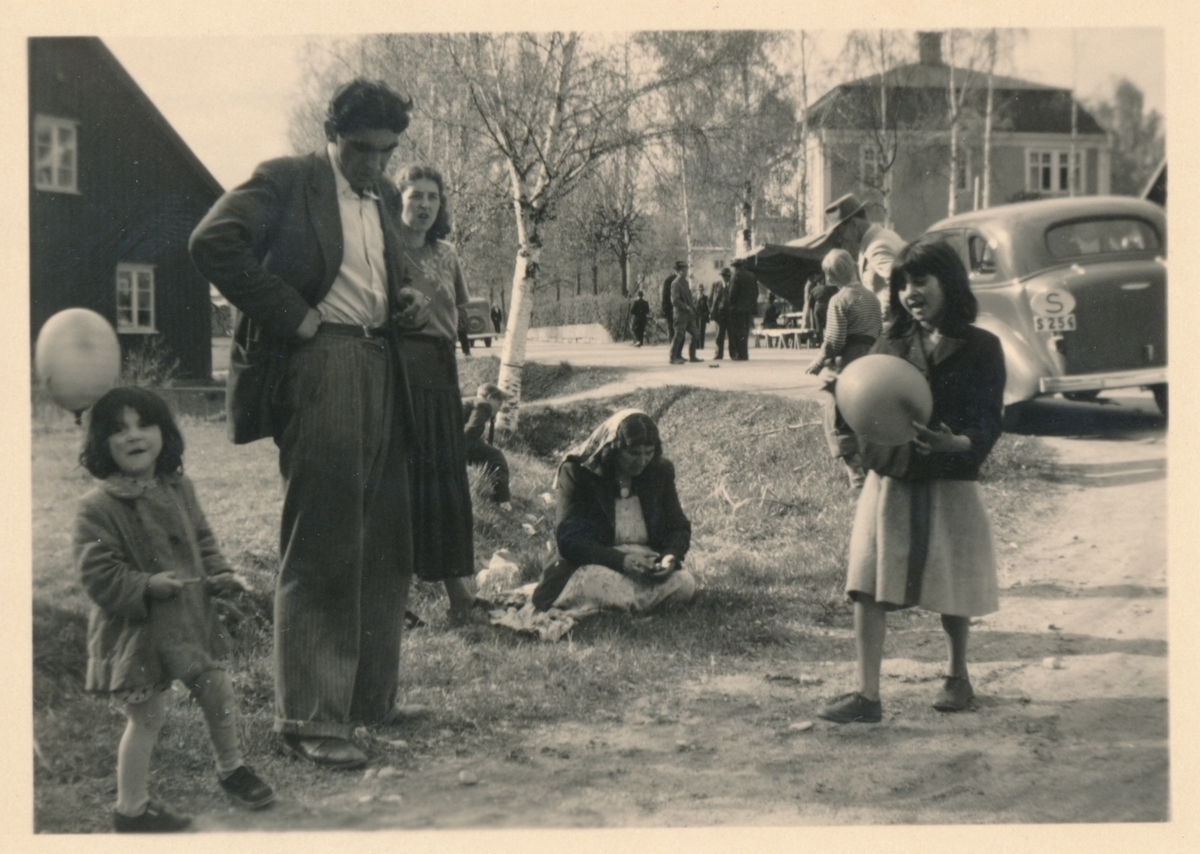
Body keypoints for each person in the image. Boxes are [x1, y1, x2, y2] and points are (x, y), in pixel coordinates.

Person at [189, 78, 419, 769]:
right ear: (331, 134)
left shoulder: (379, 195)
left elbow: (383, 269)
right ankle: (310, 718)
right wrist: (293, 315)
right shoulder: (289, 179)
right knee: (322, 535)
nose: (372, 164)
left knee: (383, 532)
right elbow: (212, 242)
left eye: (385, 151)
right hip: (320, 365)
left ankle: (366, 702)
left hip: (384, 363)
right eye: (359, 148)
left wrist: (402, 295)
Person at [817, 237, 1005, 725]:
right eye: (902, 284)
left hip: (949, 479)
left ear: (949, 282)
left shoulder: (983, 347)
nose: (909, 293)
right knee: (867, 579)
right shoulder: (891, 343)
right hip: (893, 478)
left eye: (920, 281)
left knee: (951, 579)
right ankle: (867, 695)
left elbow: (988, 420)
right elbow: (866, 403)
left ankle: (957, 675)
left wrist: (958, 445)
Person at [74, 387, 275, 832]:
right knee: (147, 719)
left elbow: (202, 540)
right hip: (137, 633)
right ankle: (131, 810)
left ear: (165, 434)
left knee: (217, 692)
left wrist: (221, 574)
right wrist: (145, 585)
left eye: (144, 425)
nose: (133, 436)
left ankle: (233, 769)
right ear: (101, 444)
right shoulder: (98, 506)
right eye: (118, 430)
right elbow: (97, 574)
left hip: (189, 620)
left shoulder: (179, 488)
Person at [391, 164, 483, 625]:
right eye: (415, 196)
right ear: (399, 199)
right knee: (404, 483)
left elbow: (464, 311)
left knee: (445, 479)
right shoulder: (384, 251)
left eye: (432, 196)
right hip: (400, 375)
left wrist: (471, 322)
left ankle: (459, 597)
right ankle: (393, 600)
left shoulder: (447, 254)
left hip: (443, 373)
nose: (425, 205)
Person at [531, 409, 696, 613]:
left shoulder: (660, 471)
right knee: (596, 584)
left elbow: (678, 525)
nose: (642, 461)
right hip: (597, 562)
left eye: (649, 452)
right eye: (633, 453)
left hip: (644, 564)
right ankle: (638, 604)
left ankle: (621, 605)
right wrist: (621, 561)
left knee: (684, 582)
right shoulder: (579, 473)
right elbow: (569, 540)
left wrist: (670, 556)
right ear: (614, 448)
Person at [805, 249, 883, 489]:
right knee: (866, 412)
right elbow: (879, 330)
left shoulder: (839, 300)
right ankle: (872, 467)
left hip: (849, 360)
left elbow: (835, 340)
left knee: (838, 416)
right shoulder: (872, 297)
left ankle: (856, 476)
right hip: (872, 358)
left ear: (830, 276)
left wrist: (818, 361)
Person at [823, 193, 906, 319]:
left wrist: (880, 316)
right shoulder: (880, 238)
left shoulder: (876, 246)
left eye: (841, 232)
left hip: (893, 327)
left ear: (854, 224)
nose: (840, 239)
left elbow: (899, 280)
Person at [463, 382, 512, 510]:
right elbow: (471, 431)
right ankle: (503, 501)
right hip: (452, 442)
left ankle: (487, 489)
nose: (500, 409)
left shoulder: (470, 401)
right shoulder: (483, 404)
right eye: (499, 403)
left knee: (485, 452)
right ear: (490, 398)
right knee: (495, 456)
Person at [668, 260, 702, 365]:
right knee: (679, 335)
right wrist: (687, 307)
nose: (685, 271)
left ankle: (692, 356)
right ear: (677, 271)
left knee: (696, 334)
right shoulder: (675, 283)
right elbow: (675, 301)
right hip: (680, 314)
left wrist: (693, 309)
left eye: (685, 269)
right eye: (682, 270)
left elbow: (689, 298)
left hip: (689, 314)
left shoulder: (685, 283)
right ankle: (672, 358)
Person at [726, 260, 760, 361]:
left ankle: (740, 354)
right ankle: (745, 354)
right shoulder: (752, 275)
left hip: (737, 309)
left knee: (737, 331)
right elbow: (756, 292)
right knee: (745, 331)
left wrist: (731, 305)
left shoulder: (736, 276)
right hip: (749, 309)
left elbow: (732, 293)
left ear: (735, 267)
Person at [711, 271, 731, 360]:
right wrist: (713, 311)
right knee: (719, 335)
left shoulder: (732, 285)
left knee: (731, 334)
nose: (726, 278)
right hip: (720, 314)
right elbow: (711, 298)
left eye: (727, 276)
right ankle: (719, 353)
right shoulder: (716, 285)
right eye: (724, 276)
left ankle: (733, 353)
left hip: (730, 313)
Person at [660, 271, 676, 340]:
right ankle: (675, 348)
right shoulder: (673, 281)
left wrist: (664, 310)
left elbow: (664, 297)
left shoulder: (668, 281)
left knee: (671, 329)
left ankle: (674, 347)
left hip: (669, 309)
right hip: (673, 310)